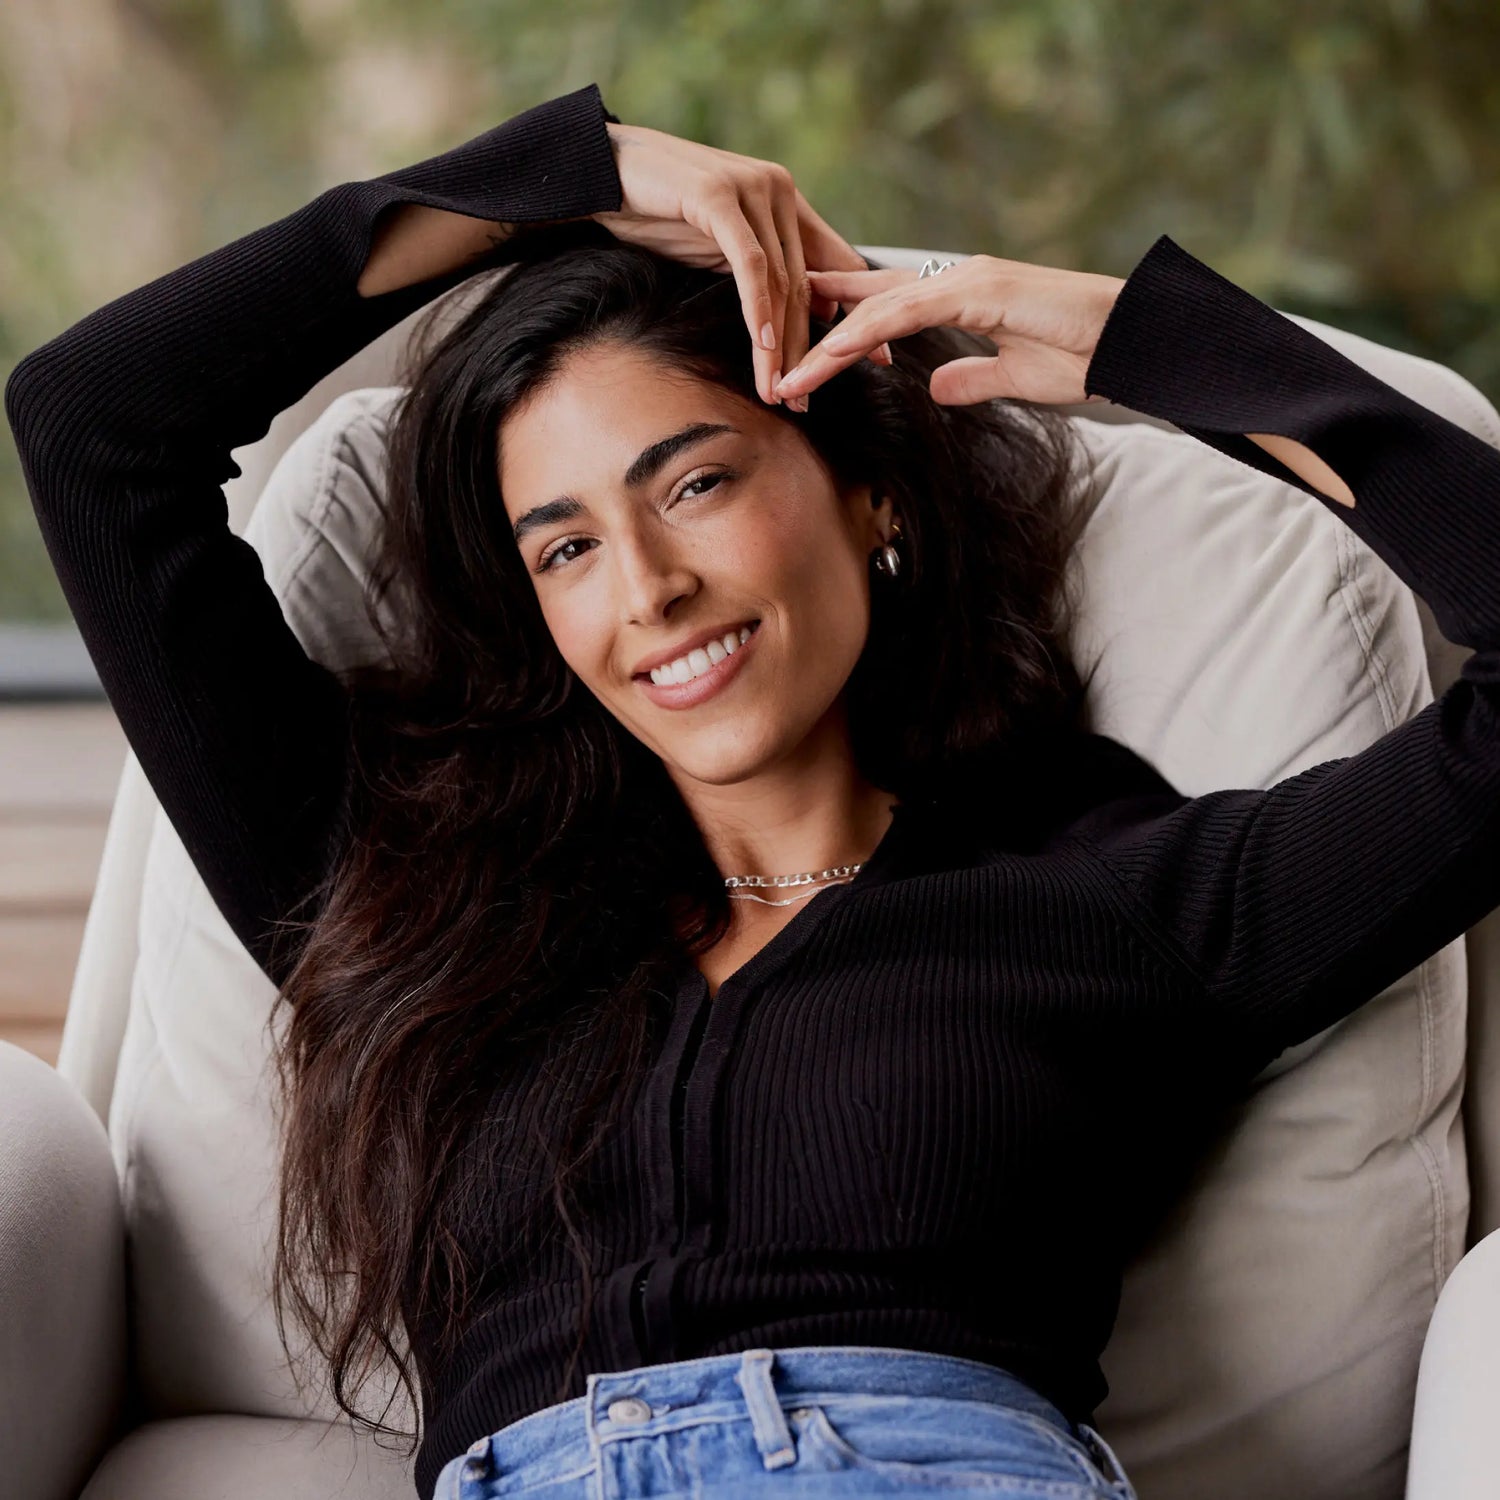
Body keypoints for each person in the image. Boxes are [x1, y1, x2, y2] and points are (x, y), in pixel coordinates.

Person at [7, 81, 1499, 1500]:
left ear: (873, 493)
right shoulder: (405, 895)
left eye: (695, 482)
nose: (648, 588)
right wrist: (567, 180)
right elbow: (89, 423)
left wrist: (1162, 346)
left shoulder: (1110, 896)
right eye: (566, 546)